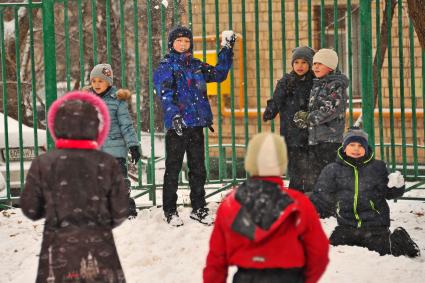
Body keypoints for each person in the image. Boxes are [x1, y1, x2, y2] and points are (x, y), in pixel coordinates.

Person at [20, 91, 129, 282]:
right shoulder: (107, 163)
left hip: (58, 249)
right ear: (97, 126)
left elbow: (30, 209)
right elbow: (120, 211)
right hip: (100, 248)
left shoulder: (44, 163)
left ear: (56, 125)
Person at [203, 132, 329, 283]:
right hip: (290, 277)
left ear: (250, 162)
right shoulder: (299, 203)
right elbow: (319, 253)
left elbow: (216, 259)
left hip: (247, 277)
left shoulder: (232, 202)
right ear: (282, 164)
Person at [153, 26, 236, 226]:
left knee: (198, 168)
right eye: (179, 41)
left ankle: (199, 207)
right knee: (173, 168)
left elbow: (219, 74)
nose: (183, 44)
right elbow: (165, 95)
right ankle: (170, 210)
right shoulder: (166, 66)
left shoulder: (196, 65)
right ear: (171, 44)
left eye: (186, 41)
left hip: (196, 125)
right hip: (178, 126)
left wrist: (226, 49)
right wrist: (174, 117)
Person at [310, 127, 420, 257]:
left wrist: (397, 186)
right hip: (347, 225)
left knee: (383, 250)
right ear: (344, 147)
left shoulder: (377, 168)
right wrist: (310, 210)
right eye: (352, 145)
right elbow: (322, 195)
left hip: (375, 226)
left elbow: (390, 193)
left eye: (360, 146)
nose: (356, 149)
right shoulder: (333, 170)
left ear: (366, 149)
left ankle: (398, 239)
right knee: (335, 247)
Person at [293, 48, 349, 193]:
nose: (315, 66)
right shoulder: (318, 84)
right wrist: (303, 118)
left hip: (329, 141)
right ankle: (316, 204)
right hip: (315, 139)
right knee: (314, 175)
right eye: (315, 63)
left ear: (330, 67)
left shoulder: (336, 86)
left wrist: (308, 118)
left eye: (320, 64)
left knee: (327, 175)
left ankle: (328, 204)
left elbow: (329, 110)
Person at [89, 63, 141, 218]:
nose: (96, 84)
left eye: (101, 81)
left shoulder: (117, 100)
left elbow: (126, 125)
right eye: (94, 81)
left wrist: (133, 145)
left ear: (109, 82)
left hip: (116, 149)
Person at [263, 46, 315, 192]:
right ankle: (296, 197)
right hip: (291, 133)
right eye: (296, 62)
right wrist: (270, 111)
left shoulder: (314, 82)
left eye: (304, 62)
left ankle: (309, 199)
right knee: (296, 170)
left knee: (310, 169)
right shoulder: (286, 82)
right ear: (292, 64)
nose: (300, 66)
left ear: (310, 64)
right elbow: (277, 99)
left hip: (310, 133)